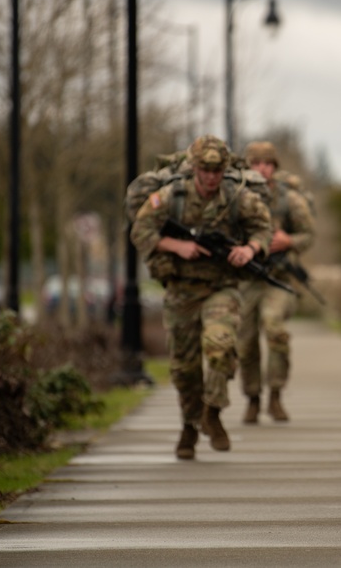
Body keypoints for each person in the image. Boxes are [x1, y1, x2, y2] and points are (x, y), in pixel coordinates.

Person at [130, 135, 272, 460]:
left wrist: (248, 248)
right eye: (205, 169)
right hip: (181, 291)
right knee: (183, 368)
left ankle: (214, 411)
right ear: (195, 167)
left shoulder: (238, 197)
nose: (211, 176)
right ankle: (189, 426)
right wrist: (176, 246)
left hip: (221, 288)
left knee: (221, 347)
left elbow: (263, 228)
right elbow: (140, 231)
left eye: (217, 170)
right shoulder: (171, 197)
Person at [236, 141, 316, 423]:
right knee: (244, 342)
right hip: (245, 280)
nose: (261, 169)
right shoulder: (235, 196)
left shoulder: (288, 199)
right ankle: (253, 398)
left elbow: (308, 234)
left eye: (267, 164)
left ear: (274, 167)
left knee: (274, 328)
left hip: (277, 279)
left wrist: (288, 241)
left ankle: (276, 395)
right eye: (256, 163)